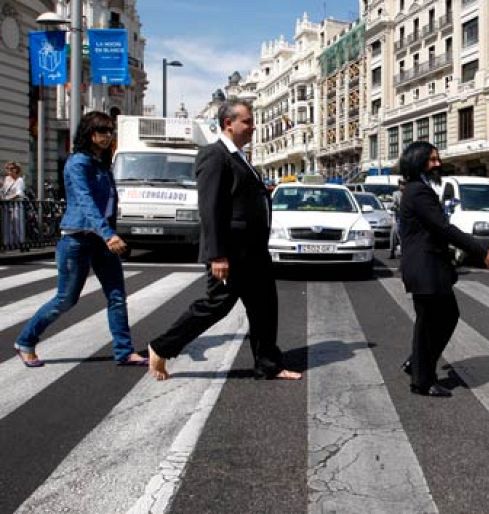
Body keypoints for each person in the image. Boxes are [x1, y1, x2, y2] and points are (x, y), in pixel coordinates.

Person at [147, 100, 301, 382]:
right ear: (228, 123)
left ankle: (268, 364)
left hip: (254, 251)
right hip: (232, 252)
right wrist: (217, 255)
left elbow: (237, 196)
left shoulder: (240, 156)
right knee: (216, 305)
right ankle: (161, 346)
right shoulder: (214, 155)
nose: (253, 126)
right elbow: (211, 207)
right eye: (247, 121)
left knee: (265, 307)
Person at [13, 112, 148, 367]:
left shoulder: (101, 163)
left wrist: (109, 231)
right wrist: (109, 234)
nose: (107, 136)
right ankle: (25, 340)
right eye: (102, 131)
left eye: (110, 131)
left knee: (117, 296)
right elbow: (85, 201)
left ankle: (124, 351)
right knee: (66, 298)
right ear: (89, 133)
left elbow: (107, 203)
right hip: (78, 239)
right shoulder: (79, 163)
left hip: (102, 239)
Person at [398, 141, 489, 397]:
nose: (438, 163)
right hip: (426, 267)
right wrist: (481, 250)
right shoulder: (419, 191)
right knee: (432, 323)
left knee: (439, 319)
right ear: (417, 161)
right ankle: (422, 380)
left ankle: (417, 364)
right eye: (432, 159)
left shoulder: (416, 189)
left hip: (428, 267)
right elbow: (443, 227)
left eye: (437, 158)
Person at [2, 161, 26, 249]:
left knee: (17, 225)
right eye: (7, 168)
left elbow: (19, 193)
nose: (9, 170)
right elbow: (4, 191)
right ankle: (8, 244)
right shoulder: (7, 179)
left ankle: (19, 243)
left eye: (11, 168)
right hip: (7, 205)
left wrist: (8, 198)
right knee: (6, 225)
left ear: (16, 169)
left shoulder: (20, 180)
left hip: (16, 205)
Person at [389, 179, 405, 259]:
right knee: (394, 233)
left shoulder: (409, 193)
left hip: (407, 218)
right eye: (401, 184)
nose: (402, 186)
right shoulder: (396, 194)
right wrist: (394, 207)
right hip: (398, 217)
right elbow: (393, 204)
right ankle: (392, 252)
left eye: (404, 184)